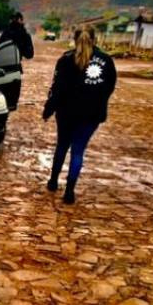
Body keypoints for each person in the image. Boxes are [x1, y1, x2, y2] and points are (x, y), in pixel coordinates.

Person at [43, 26, 117, 204]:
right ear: (95, 39)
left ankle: (53, 182)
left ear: (74, 40)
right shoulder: (106, 61)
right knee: (78, 151)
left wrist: (48, 109)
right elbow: (109, 88)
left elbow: (57, 89)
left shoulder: (65, 59)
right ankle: (69, 191)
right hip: (91, 115)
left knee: (62, 146)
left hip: (66, 113)